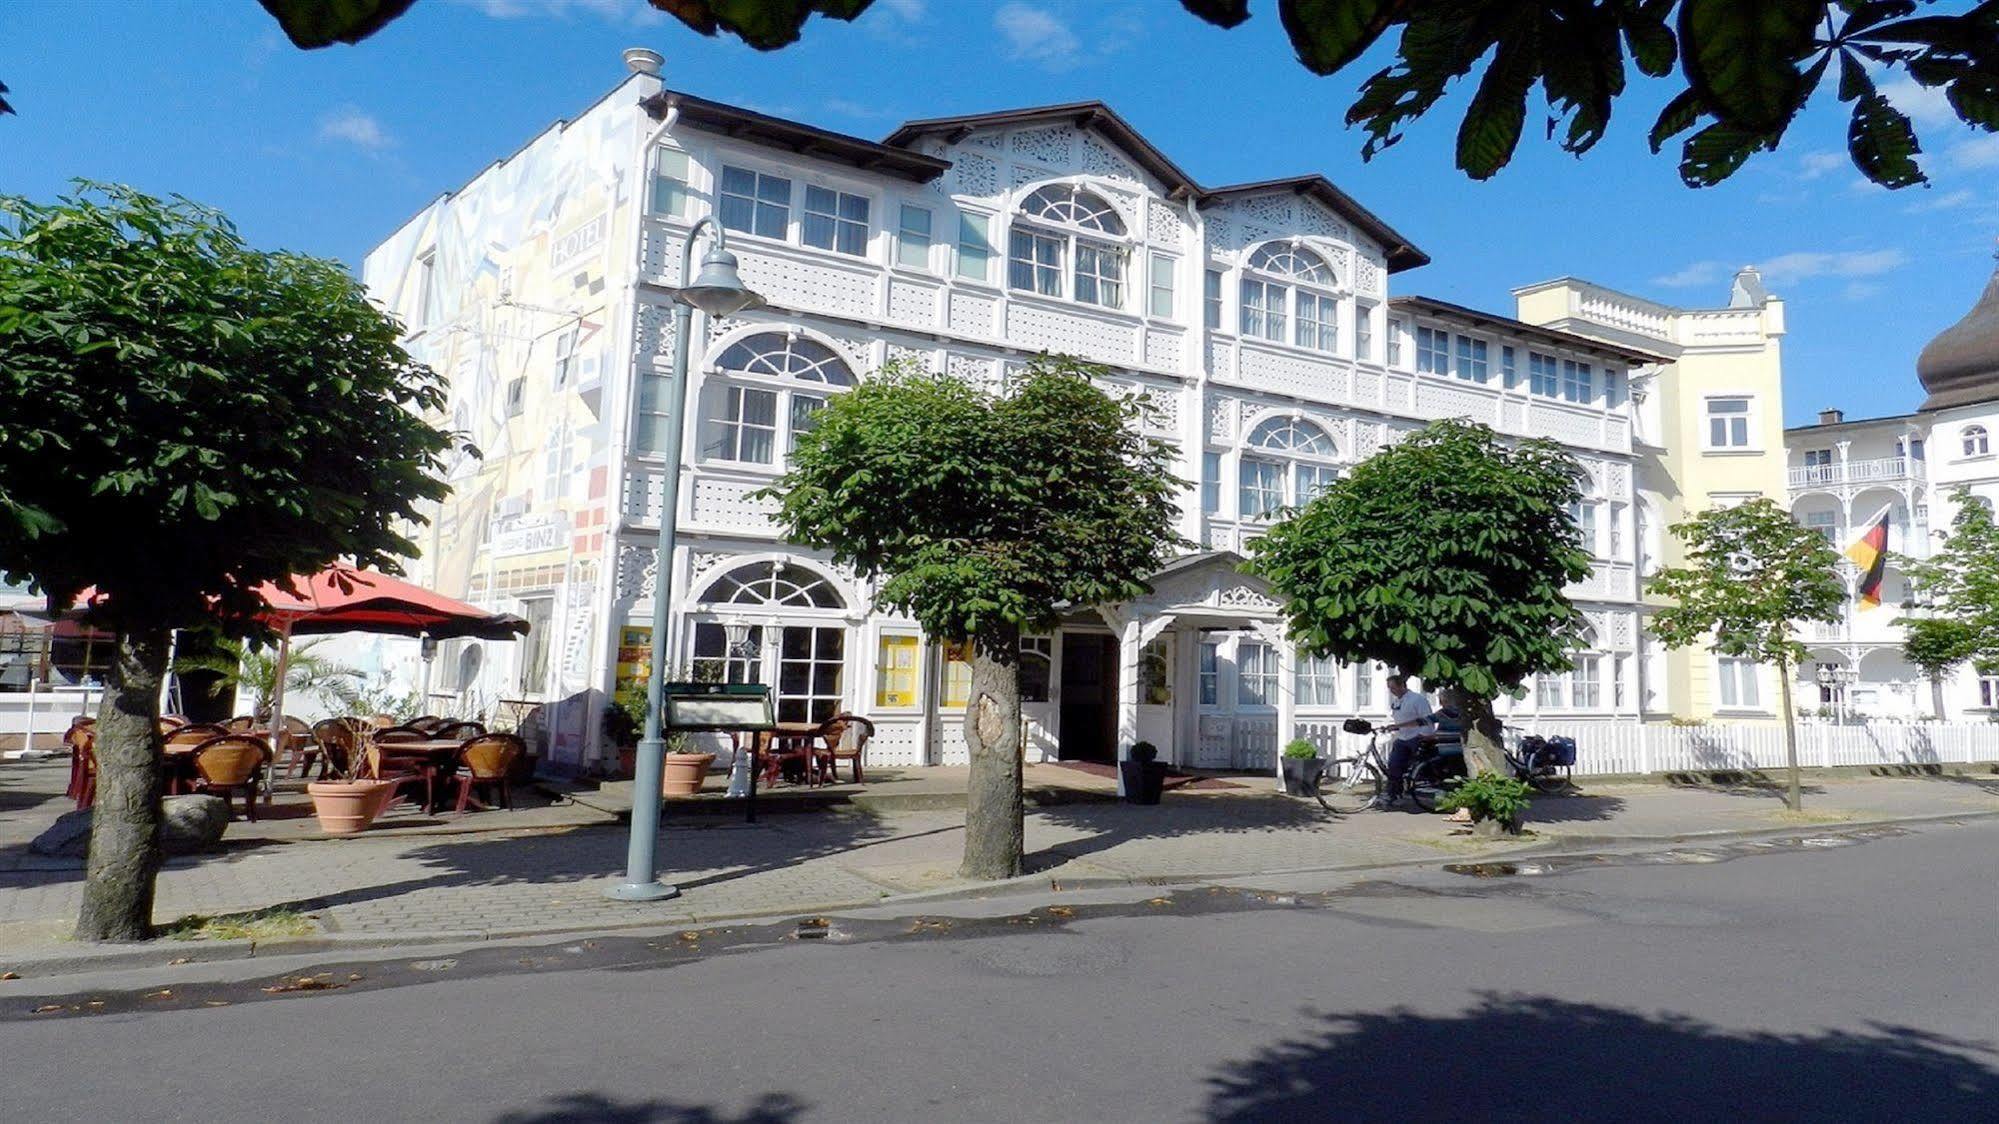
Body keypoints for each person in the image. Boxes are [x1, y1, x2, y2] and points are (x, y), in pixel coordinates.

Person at [1372, 674, 1435, 809]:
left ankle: (1424, 788)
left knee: (1418, 768)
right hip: (1403, 737)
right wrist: (1390, 727)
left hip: (1418, 736)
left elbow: (1427, 720)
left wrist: (1425, 735)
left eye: (1393, 688)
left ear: (1402, 685)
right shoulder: (1396, 702)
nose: (1391, 691)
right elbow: (1398, 720)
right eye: (1389, 688)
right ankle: (1394, 794)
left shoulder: (1417, 699)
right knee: (1394, 765)